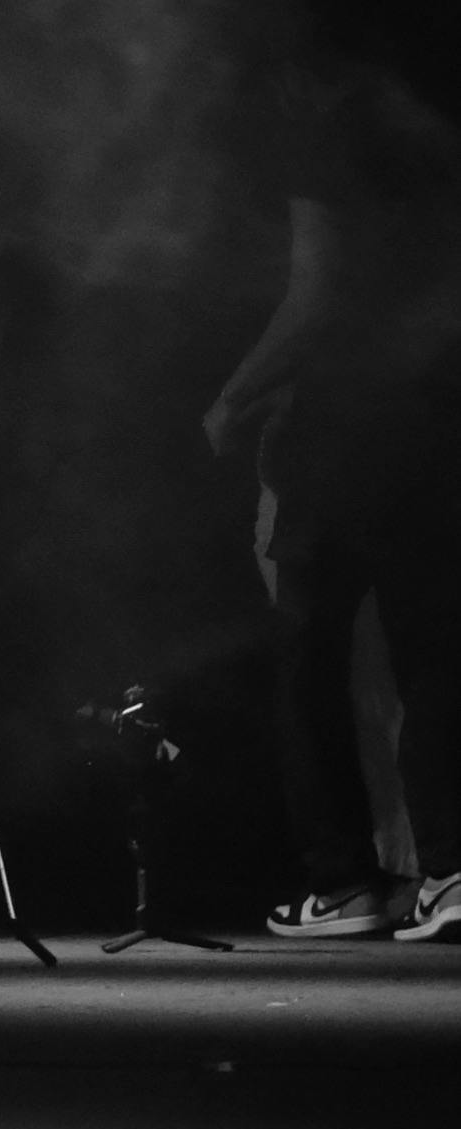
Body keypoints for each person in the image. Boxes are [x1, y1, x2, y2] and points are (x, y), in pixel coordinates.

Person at [202, 52, 461, 943]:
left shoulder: (322, 140)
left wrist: (234, 396)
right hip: (433, 430)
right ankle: (451, 872)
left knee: (309, 662)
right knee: (434, 652)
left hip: (340, 443)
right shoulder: (432, 133)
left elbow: (313, 299)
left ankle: (344, 883)